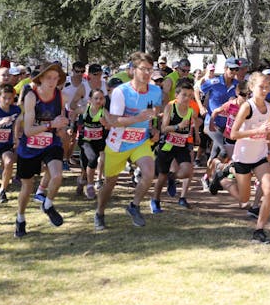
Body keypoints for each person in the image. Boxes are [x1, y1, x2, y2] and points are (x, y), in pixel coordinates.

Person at [95, 52, 162, 230]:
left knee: (149, 173)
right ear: (133, 70)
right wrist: (136, 118)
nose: (147, 73)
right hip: (118, 143)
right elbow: (114, 121)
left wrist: (154, 128)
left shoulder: (155, 90)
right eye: (143, 69)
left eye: (150, 69)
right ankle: (100, 213)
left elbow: (153, 114)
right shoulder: (121, 92)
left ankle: (134, 206)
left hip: (140, 141)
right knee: (110, 184)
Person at [14, 62, 69, 237]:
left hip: (50, 143)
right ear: (41, 79)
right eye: (49, 78)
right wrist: (51, 124)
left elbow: (61, 121)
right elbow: (29, 130)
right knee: (27, 187)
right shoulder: (31, 96)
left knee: (57, 175)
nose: (53, 82)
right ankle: (20, 218)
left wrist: (63, 127)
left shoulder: (61, 96)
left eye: (56, 78)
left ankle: (48, 204)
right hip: (29, 146)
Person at [230, 71, 270, 244]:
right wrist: (256, 131)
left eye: (267, 87)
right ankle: (222, 178)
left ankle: (259, 230)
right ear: (252, 87)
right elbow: (233, 134)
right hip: (242, 157)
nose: (264, 90)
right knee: (244, 200)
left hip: (259, 156)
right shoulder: (247, 107)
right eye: (261, 87)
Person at [152, 78, 197, 212]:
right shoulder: (170, 107)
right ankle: (155, 200)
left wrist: (191, 136)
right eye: (184, 95)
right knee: (161, 177)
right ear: (176, 96)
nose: (187, 98)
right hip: (167, 145)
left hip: (181, 145)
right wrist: (178, 126)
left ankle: (172, 178)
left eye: (190, 96)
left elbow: (190, 128)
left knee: (187, 171)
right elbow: (164, 128)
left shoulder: (190, 111)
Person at [201, 57, 239, 162]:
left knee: (216, 154)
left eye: (236, 69)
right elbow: (197, 89)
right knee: (225, 150)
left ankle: (207, 177)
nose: (234, 72)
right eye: (231, 69)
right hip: (211, 123)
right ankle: (218, 174)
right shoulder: (214, 81)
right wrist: (201, 107)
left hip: (226, 125)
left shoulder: (237, 84)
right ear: (225, 68)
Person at [75, 88, 109, 200]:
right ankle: (88, 185)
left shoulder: (104, 112)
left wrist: (105, 124)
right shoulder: (85, 109)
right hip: (85, 141)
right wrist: (72, 127)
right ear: (90, 100)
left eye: (101, 98)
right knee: (91, 160)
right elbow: (73, 113)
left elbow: (110, 125)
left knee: (88, 164)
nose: (99, 101)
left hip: (98, 142)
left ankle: (83, 183)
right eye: (96, 98)